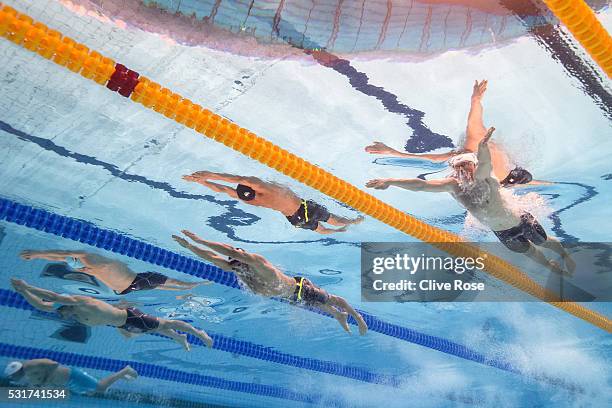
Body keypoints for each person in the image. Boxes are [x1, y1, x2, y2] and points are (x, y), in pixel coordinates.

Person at [366, 127, 575, 276]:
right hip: (502, 232)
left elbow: (484, 161)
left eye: (467, 166)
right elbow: (421, 185)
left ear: (473, 167)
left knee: (543, 241)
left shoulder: (484, 177)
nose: (464, 171)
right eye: (459, 169)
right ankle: (550, 267)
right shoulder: (453, 186)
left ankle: (565, 255)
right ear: (455, 171)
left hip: (520, 220)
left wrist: (483, 145)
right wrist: (390, 181)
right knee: (528, 252)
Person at [172, 230, 368, 335]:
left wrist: (200, 240)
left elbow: (229, 252)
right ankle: (338, 316)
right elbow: (213, 258)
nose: (234, 261)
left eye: (237, 258)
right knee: (320, 305)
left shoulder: (258, 262)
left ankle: (356, 316)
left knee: (331, 300)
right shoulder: (238, 269)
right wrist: (190, 246)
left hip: (299, 287)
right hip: (290, 296)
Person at [365, 80, 544, 187]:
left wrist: (475, 100)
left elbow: (431, 158)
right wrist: (392, 153)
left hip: (511, 175)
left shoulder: (470, 144)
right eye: (462, 170)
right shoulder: (466, 157)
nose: (463, 171)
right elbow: (429, 163)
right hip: (506, 180)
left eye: (462, 168)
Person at [10, 278, 213, 350]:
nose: (60, 317)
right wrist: (24, 292)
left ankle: (199, 333)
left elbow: (51, 296)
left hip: (130, 317)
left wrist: (28, 286)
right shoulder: (74, 314)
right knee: (155, 329)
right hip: (122, 325)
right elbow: (44, 305)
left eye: (61, 312)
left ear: (65, 306)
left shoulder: (79, 302)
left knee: (168, 324)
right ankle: (180, 338)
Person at [182, 171, 363, 234]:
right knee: (336, 219)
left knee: (322, 230)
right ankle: (354, 222)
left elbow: (221, 189)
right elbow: (237, 178)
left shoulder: (248, 200)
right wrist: (209, 175)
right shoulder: (263, 187)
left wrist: (202, 181)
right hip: (304, 209)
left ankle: (337, 232)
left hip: (294, 220)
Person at [20, 250, 208, 295]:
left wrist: (37, 255)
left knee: (161, 286)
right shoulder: (87, 259)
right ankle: (196, 285)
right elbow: (62, 255)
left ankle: (188, 289)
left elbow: (60, 257)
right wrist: (37, 254)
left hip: (125, 289)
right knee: (172, 283)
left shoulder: (88, 267)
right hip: (137, 281)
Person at [3, 359, 137, 396]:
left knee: (101, 388)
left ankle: (125, 370)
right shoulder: (27, 374)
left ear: (17, 372)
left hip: (72, 375)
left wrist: (47, 380)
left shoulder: (31, 365)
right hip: (67, 383)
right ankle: (120, 376)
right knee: (90, 392)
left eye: (13, 377)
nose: (15, 380)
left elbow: (54, 364)